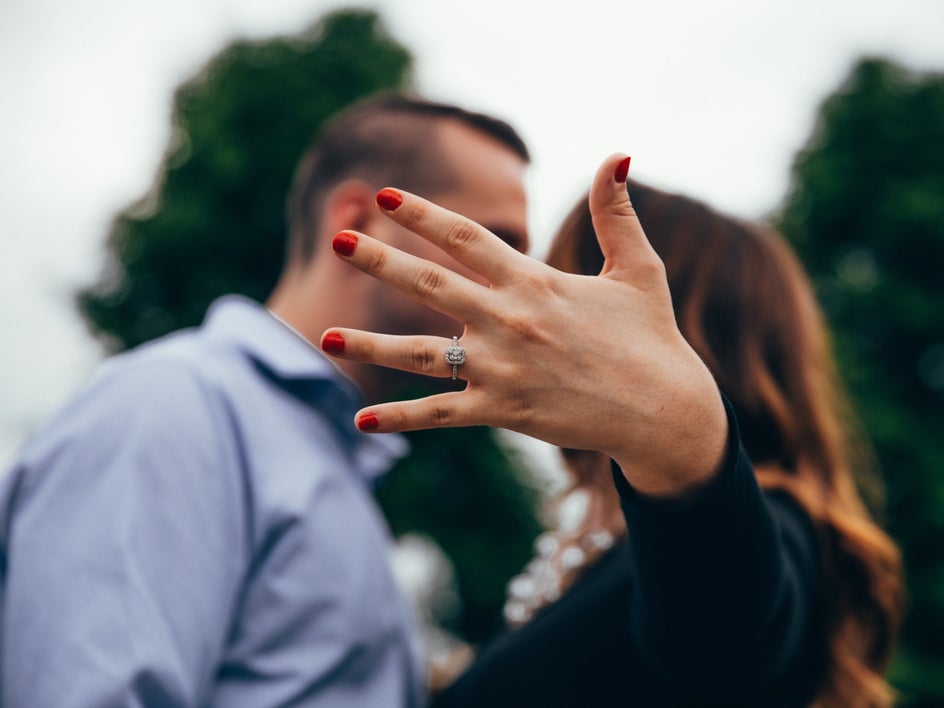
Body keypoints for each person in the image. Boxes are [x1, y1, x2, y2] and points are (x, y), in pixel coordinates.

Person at [0, 93, 530, 706]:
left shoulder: (327, 449)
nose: (516, 277)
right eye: (491, 239)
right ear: (358, 220)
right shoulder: (174, 406)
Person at [319, 155, 905, 706]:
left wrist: (681, 434)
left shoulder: (772, 528)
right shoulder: (602, 547)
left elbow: (722, 641)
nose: (529, 316)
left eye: (562, 283)